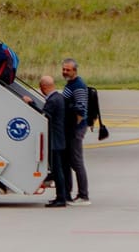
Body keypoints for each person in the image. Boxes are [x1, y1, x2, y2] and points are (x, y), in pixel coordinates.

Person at [39, 75, 74, 206]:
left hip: (55, 140)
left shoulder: (52, 101)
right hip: (61, 139)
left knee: (57, 170)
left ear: (44, 87)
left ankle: (61, 198)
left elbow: (44, 116)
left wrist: (30, 103)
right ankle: (65, 195)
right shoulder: (59, 97)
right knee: (62, 168)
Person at [61, 58, 91, 202]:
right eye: (64, 69)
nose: (65, 72)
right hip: (71, 129)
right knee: (69, 161)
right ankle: (67, 192)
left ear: (75, 71)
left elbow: (81, 109)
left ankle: (83, 195)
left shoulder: (78, 86)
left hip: (75, 129)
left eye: (68, 70)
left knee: (77, 162)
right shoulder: (70, 84)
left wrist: (75, 128)